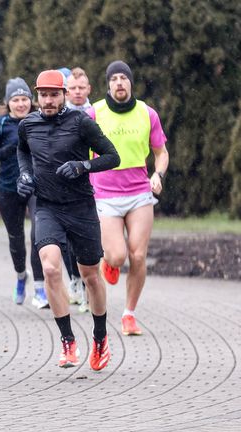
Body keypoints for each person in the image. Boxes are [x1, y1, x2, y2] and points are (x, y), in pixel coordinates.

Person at [16, 69, 119, 370]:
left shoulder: (81, 123)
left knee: (90, 276)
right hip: (46, 207)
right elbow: (22, 152)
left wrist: (82, 165)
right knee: (50, 268)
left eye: (53, 95)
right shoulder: (27, 126)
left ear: (63, 95)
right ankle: (67, 341)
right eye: (43, 95)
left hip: (81, 208)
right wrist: (24, 175)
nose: (48, 101)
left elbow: (112, 156)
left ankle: (100, 337)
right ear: (37, 97)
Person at [88, 60, 169, 336]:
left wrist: (158, 174)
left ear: (130, 83)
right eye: (114, 78)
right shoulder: (93, 113)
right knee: (118, 255)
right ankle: (109, 262)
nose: (119, 82)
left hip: (138, 194)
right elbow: (76, 147)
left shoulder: (147, 113)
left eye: (124, 78)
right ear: (108, 84)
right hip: (105, 194)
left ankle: (129, 314)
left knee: (137, 255)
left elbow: (161, 152)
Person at [0, 77, 37, 304]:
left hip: (36, 186)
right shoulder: (1, 124)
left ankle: (40, 287)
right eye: (16, 100)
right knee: (16, 238)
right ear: (8, 102)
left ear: (31, 101)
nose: (21, 104)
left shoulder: (38, 120)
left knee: (38, 234)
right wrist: (4, 152)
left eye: (25, 99)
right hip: (9, 188)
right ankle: (21, 276)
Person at [64, 67, 94, 310]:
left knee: (88, 239)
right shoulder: (59, 115)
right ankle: (76, 280)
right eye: (72, 88)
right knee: (68, 241)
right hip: (67, 185)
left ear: (88, 89)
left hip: (95, 183)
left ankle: (88, 286)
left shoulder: (97, 114)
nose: (76, 92)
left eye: (80, 88)